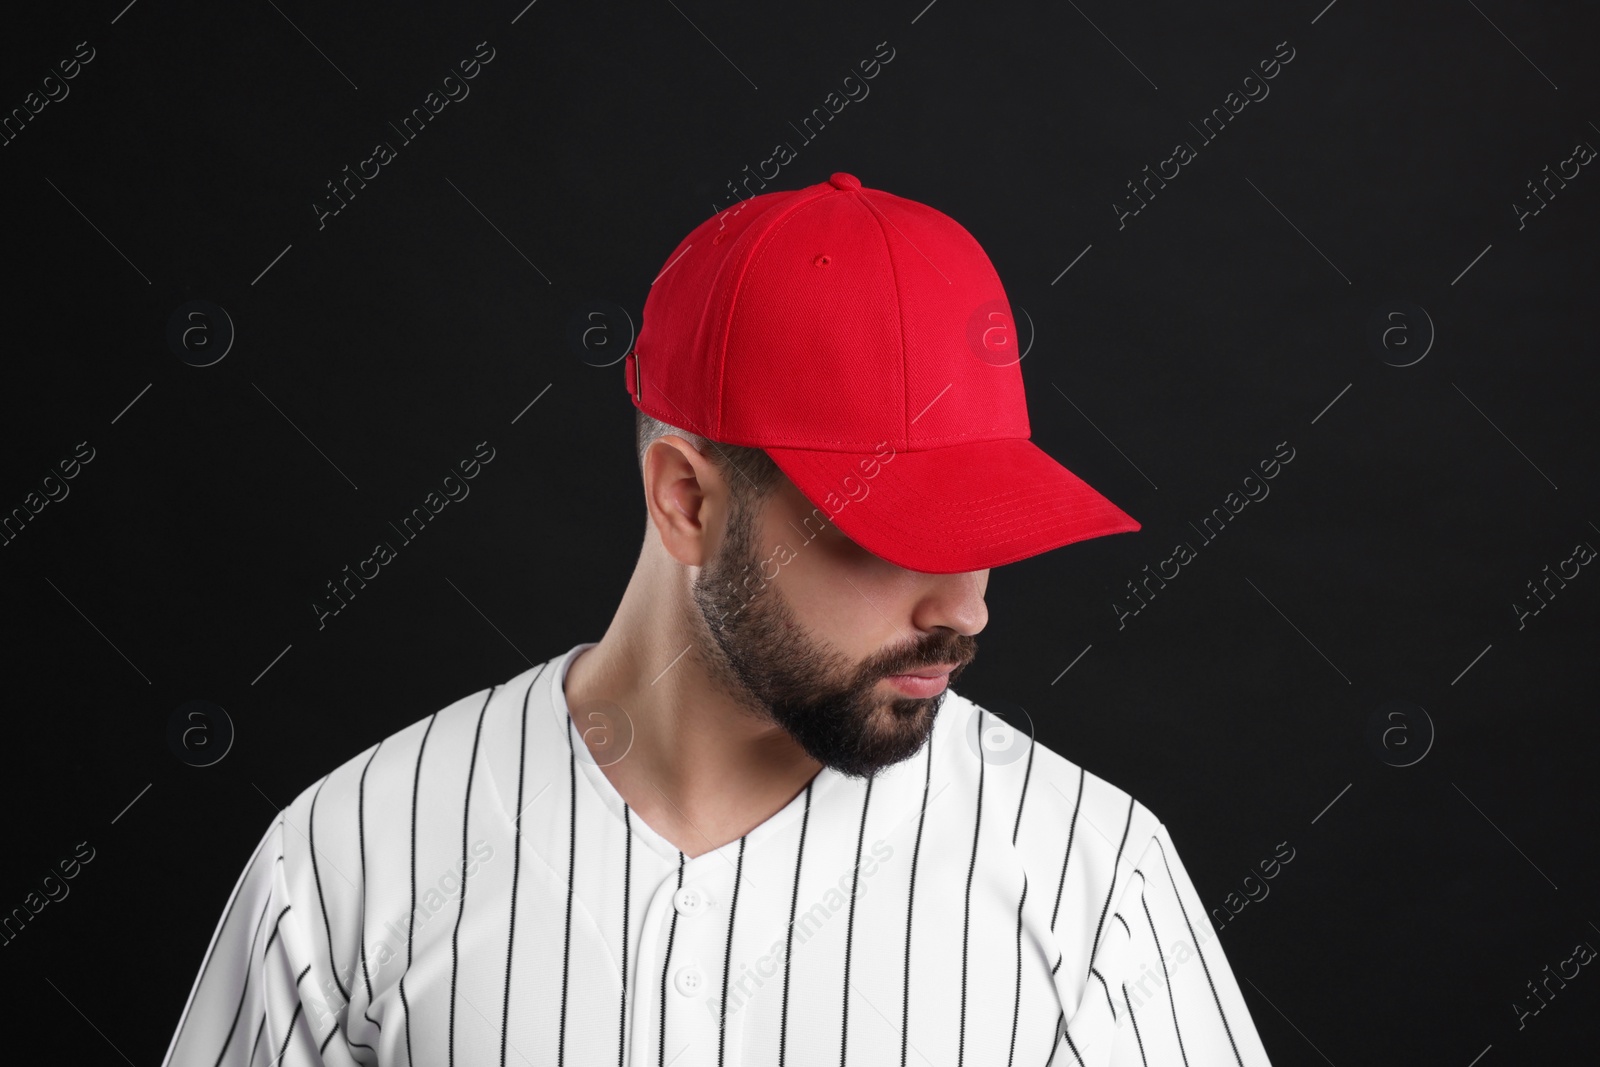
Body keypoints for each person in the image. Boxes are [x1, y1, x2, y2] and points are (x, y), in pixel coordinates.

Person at [161, 171, 1273, 1066]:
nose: (965, 608)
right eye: (891, 531)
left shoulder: (1091, 878)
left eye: (982, 524)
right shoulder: (352, 859)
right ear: (686, 499)